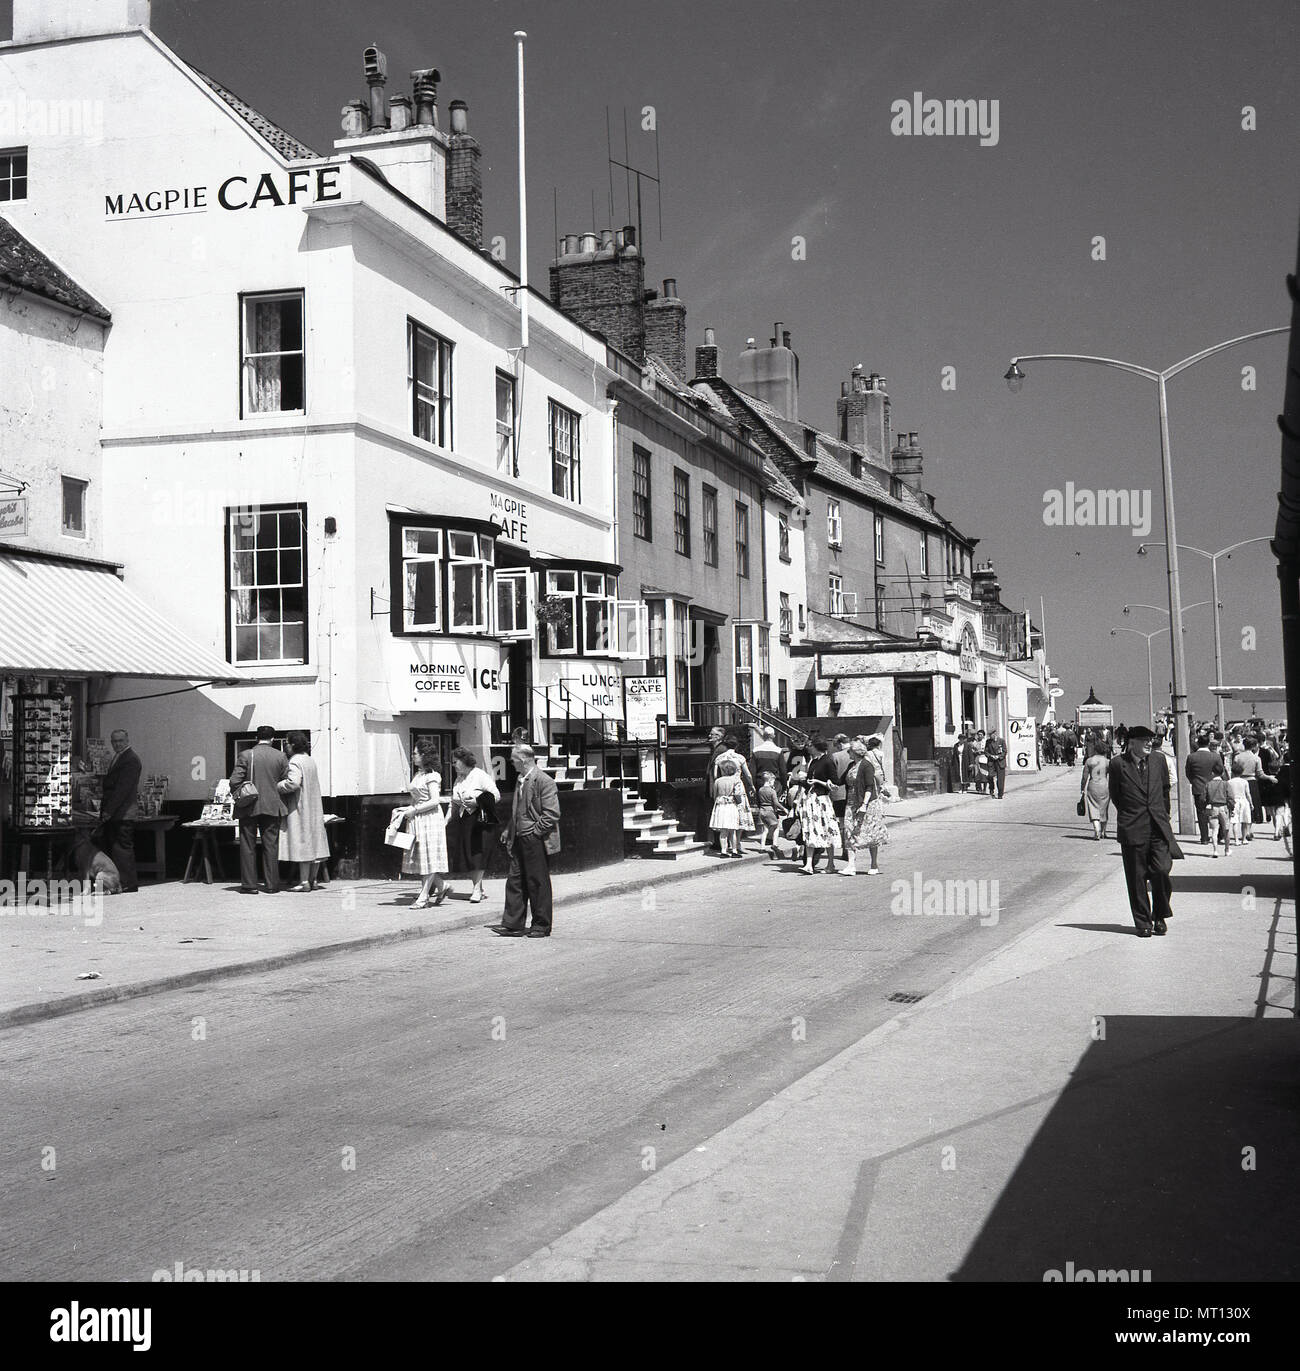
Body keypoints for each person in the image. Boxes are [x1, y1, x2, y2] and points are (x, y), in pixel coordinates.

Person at [1108, 724, 1182, 937]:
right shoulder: (1117, 764)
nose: (1149, 743)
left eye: (1151, 739)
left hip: (1158, 826)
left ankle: (1159, 914)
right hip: (1133, 827)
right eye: (1144, 740)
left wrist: (1163, 815)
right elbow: (1116, 796)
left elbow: (1165, 789)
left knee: (1161, 870)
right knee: (1136, 877)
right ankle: (1143, 923)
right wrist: (1130, 815)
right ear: (1132, 743)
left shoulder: (1159, 760)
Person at [490, 744, 561, 937]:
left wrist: (535, 832)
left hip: (535, 839)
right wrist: (509, 829)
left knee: (537, 881)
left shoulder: (544, 781)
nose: (511, 763)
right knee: (515, 880)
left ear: (523, 759)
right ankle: (513, 924)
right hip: (519, 837)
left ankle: (541, 925)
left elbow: (552, 814)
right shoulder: (521, 779)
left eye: (513, 759)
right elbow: (518, 809)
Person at [229, 725, 289, 894]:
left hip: (249, 806)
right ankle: (272, 885)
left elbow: (234, 781)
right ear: (272, 739)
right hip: (272, 805)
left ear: (256, 738)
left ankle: (249, 885)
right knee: (271, 845)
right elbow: (285, 781)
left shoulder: (246, 755)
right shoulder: (281, 756)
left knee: (247, 845)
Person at [393, 741, 450, 908]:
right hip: (418, 819)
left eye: (415, 753)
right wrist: (404, 810)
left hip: (430, 819)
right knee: (421, 858)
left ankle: (424, 897)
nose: (413, 756)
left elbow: (434, 800)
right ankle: (442, 886)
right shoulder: (419, 775)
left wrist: (415, 810)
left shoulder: (432, 776)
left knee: (429, 857)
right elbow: (416, 798)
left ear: (424, 756)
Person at [276, 731, 330, 891]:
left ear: (293, 745)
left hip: (300, 807)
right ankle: (313, 880)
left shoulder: (295, 761)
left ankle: (304, 882)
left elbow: (293, 783)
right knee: (315, 843)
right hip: (314, 806)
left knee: (302, 842)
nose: (285, 746)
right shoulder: (309, 760)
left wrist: (277, 785)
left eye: (287, 743)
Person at [445, 747, 500, 903]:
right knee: (470, 856)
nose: (454, 765)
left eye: (456, 762)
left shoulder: (480, 775)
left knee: (478, 855)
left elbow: (496, 795)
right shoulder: (459, 779)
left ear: (464, 761)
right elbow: (454, 803)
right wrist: (446, 820)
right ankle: (479, 888)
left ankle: (476, 890)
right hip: (465, 821)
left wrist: (477, 801)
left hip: (480, 821)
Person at [99, 729, 142, 893]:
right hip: (117, 812)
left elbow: (122, 790)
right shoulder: (119, 757)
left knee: (122, 849)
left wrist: (109, 811)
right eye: (114, 741)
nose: (117, 744)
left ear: (127, 740)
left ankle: (127, 883)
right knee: (116, 848)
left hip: (122, 813)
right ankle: (119, 882)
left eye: (120, 741)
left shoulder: (130, 759)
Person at [843, 735, 891, 876]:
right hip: (851, 803)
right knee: (849, 831)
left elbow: (870, 786)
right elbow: (842, 780)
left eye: (849, 751)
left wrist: (864, 805)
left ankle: (874, 864)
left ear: (856, 752)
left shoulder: (866, 765)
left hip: (867, 803)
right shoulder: (851, 766)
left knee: (871, 833)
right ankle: (851, 865)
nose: (848, 753)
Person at [800, 735, 841, 874]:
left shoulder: (828, 761)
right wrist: (803, 780)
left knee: (827, 830)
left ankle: (831, 864)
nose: (808, 748)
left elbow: (835, 783)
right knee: (810, 829)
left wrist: (818, 782)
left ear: (817, 747)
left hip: (822, 800)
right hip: (811, 799)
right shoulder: (813, 761)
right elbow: (809, 780)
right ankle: (809, 865)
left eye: (811, 745)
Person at [1185, 734, 1226, 845]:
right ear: (1208, 744)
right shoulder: (1215, 756)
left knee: (1201, 812)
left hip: (1198, 787)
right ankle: (1220, 835)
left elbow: (1188, 773)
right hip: (1214, 787)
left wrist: (1194, 781)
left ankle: (1204, 838)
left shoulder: (1191, 757)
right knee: (1218, 811)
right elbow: (1221, 770)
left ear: (1198, 743)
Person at [710, 757, 746, 857]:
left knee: (723, 831)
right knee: (732, 830)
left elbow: (714, 795)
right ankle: (734, 851)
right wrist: (738, 802)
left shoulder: (718, 781)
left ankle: (723, 851)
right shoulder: (736, 780)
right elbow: (738, 795)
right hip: (731, 806)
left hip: (720, 806)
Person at [702, 727, 728, 852]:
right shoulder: (717, 749)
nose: (709, 735)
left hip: (717, 787)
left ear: (718, 736)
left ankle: (720, 843)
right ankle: (719, 842)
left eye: (712, 734)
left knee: (718, 813)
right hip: (715, 786)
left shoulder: (721, 750)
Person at [1080, 744, 1111, 840]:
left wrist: (1082, 788)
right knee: (1104, 808)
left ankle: (1096, 829)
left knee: (1093, 807)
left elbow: (1085, 776)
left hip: (1093, 785)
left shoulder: (1089, 761)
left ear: (1095, 750)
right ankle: (1103, 832)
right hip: (1104, 786)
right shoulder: (1107, 762)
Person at [755, 769, 788, 856]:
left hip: (762, 811)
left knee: (765, 829)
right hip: (770, 811)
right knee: (776, 827)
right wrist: (784, 809)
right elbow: (776, 803)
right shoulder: (772, 791)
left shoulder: (760, 790)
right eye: (773, 781)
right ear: (770, 781)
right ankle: (775, 844)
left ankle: (762, 847)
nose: (774, 783)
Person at [1205, 771, 1232, 857]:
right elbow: (1230, 797)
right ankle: (1227, 850)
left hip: (1213, 808)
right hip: (1224, 808)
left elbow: (1204, 797)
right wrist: (1232, 808)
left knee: (1214, 830)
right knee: (1226, 829)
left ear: (1212, 773)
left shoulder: (1208, 784)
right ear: (1221, 773)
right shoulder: (1225, 784)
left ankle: (1215, 850)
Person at [1226, 772, 1253, 845]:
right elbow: (1248, 794)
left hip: (1234, 801)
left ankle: (1236, 840)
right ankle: (1244, 839)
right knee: (1245, 821)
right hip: (1243, 801)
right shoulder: (1245, 782)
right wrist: (1251, 803)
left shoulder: (1229, 782)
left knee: (1235, 822)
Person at [983, 729, 1007, 799]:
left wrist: (999, 756)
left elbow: (1005, 751)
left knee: (1000, 779)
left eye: (991, 735)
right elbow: (986, 751)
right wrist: (990, 756)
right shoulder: (988, 742)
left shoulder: (1001, 741)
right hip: (991, 762)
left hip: (1000, 762)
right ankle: (991, 788)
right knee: (990, 776)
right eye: (989, 735)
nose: (990, 737)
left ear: (995, 734)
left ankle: (1000, 794)